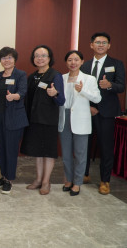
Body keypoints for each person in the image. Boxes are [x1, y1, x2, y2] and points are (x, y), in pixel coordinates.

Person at [80, 32, 125, 195]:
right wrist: (90, 106)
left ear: (109, 46)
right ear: (91, 45)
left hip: (106, 113)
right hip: (88, 111)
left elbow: (121, 87)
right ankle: (84, 174)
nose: (100, 45)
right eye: (97, 42)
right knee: (84, 144)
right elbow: (82, 89)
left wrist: (109, 85)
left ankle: (105, 181)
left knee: (106, 147)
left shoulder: (116, 63)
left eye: (104, 42)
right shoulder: (84, 66)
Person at [20, 45, 65, 195]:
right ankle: (38, 179)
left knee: (48, 152)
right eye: (37, 55)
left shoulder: (55, 75)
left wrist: (55, 94)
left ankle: (46, 182)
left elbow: (61, 100)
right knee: (37, 152)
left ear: (49, 58)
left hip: (48, 120)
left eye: (43, 55)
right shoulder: (32, 77)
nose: (40, 58)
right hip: (33, 120)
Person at [59, 50, 101, 196]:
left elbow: (97, 99)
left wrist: (83, 90)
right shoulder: (62, 78)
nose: (73, 63)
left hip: (81, 120)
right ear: (66, 62)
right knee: (65, 154)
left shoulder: (89, 79)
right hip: (64, 118)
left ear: (82, 62)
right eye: (70, 60)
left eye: (76, 60)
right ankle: (68, 180)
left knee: (80, 154)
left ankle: (77, 183)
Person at [0, 47, 28, 194]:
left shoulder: (20, 74)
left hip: (14, 118)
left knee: (11, 150)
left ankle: (9, 179)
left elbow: (23, 91)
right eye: (3, 58)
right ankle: (3, 175)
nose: (6, 60)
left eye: (9, 58)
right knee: (0, 149)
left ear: (14, 60)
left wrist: (15, 96)